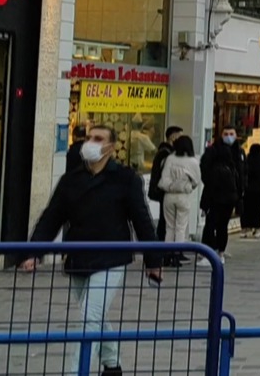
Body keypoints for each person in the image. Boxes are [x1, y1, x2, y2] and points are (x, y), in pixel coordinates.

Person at [21, 124, 163, 375]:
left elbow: (141, 219)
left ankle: (78, 371)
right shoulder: (71, 180)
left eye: (98, 139)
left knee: (90, 315)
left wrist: (153, 261)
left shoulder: (125, 178)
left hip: (111, 257)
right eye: (88, 138)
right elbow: (51, 217)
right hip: (78, 257)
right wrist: (33, 252)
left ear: (110, 147)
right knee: (95, 317)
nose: (90, 143)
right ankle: (112, 363)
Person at [200, 126, 243, 264]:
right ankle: (212, 250)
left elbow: (242, 173)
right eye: (226, 134)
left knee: (221, 224)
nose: (229, 136)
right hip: (216, 194)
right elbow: (204, 170)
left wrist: (240, 191)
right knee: (212, 223)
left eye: (231, 134)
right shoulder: (213, 151)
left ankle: (219, 250)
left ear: (236, 135)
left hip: (229, 195)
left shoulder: (239, 152)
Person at [159, 135, 201, 265]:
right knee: (181, 227)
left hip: (169, 195)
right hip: (183, 195)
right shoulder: (193, 161)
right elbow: (197, 181)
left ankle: (166, 254)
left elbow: (164, 177)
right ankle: (177, 254)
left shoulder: (170, 158)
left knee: (169, 226)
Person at [147, 125, 183, 243]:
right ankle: (163, 247)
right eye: (180, 136)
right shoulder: (165, 153)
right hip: (163, 190)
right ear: (172, 136)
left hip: (165, 190)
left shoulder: (169, 152)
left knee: (167, 221)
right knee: (165, 221)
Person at [241, 142, 260, 239]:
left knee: (246, 209)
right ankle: (257, 229)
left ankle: (244, 229)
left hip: (248, 189)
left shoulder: (247, 160)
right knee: (257, 209)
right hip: (259, 189)